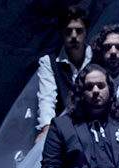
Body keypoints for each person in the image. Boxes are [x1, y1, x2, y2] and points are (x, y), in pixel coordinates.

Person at [35, 6, 93, 143]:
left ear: (87, 32)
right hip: (64, 129)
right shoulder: (50, 62)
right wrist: (46, 127)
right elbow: (47, 98)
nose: (73, 36)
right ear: (61, 33)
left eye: (79, 31)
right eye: (68, 31)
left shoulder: (98, 58)